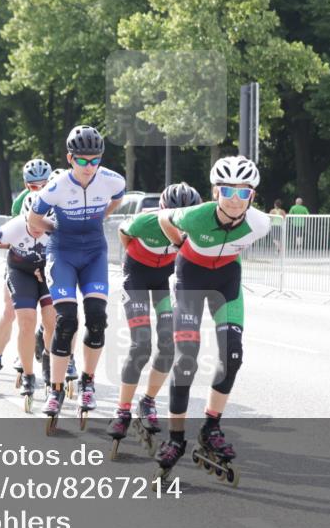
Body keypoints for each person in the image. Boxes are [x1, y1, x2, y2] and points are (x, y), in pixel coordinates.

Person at [153, 156, 270, 485]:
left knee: (232, 355)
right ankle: (175, 438)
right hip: (191, 276)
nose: (235, 199)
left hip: (226, 281)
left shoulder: (260, 224)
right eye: (228, 191)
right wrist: (179, 245)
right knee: (186, 357)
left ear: (252, 197)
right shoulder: (195, 215)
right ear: (215, 192)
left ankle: (211, 426)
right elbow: (164, 217)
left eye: (243, 193)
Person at [28, 125, 125, 429]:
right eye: (82, 161)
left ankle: (87, 383)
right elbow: (33, 219)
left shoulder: (112, 180)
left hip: (95, 252)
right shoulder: (54, 188)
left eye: (95, 160)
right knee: (67, 320)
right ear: (70, 159)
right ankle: (55, 390)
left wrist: (100, 218)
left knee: (97, 317)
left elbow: (117, 200)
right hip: (63, 253)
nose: (89, 167)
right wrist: (57, 229)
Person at [107, 182, 202, 458]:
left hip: (162, 282)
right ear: (163, 212)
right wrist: (133, 260)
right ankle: (122, 410)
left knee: (168, 345)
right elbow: (123, 233)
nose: (178, 223)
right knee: (140, 345)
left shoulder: (192, 229)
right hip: (135, 277)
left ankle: (147, 402)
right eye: (173, 216)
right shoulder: (146, 221)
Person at [0, 194, 56, 410]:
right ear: (25, 217)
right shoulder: (14, 227)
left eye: (43, 224)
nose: (38, 228)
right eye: (33, 223)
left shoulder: (56, 230)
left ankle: (49, 367)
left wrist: (48, 271)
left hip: (46, 273)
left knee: (52, 320)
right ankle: (29, 376)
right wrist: (10, 245)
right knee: (26, 320)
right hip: (20, 272)